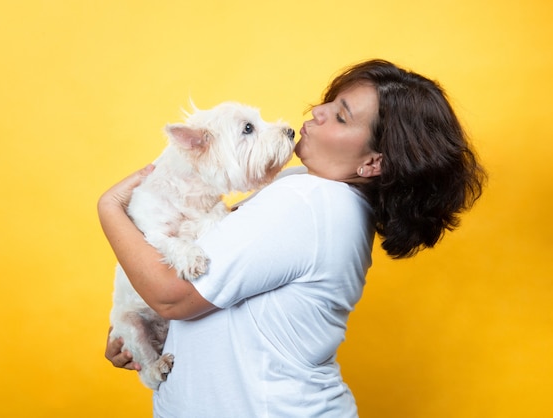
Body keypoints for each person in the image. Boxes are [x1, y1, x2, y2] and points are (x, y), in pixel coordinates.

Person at [98, 59, 486, 417]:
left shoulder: (311, 201)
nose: (318, 110)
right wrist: (143, 336)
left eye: (341, 116)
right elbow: (204, 280)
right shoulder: (304, 187)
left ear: (373, 163)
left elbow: (170, 295)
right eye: (330, 102)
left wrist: (110, 208)